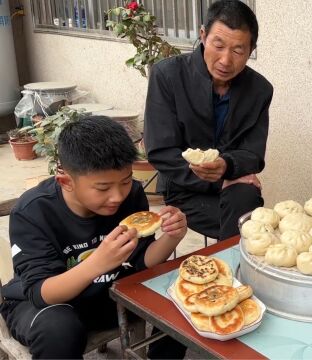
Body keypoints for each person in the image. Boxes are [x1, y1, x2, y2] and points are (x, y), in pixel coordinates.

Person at [0, 116, 188, 359]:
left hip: (108, 294)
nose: (118, 196)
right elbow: (41, 292)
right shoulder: (33, 212)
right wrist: (98, 262)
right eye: (102, 188)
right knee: (59, 330)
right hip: (47, 304)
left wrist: (172, 237)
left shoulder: (131, 195)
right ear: (66, 182)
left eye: (126, 181)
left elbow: (142, 260)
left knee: (183, 294)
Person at [144, 0, 273, 241]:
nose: (225, 60)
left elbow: (253, 154)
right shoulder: (168, 75)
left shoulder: (260, 89)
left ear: (251, 49)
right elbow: (161, 151)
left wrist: (226, 167)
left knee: (247, 211)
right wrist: (217, 181)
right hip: (183, 188)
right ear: (203, 36)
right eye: (218, 44)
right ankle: (229, 267)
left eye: (237, 50)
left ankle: (228, 268)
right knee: (248, 228)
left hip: (232, 182)